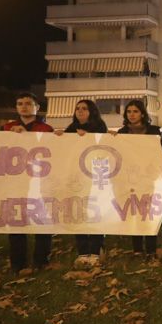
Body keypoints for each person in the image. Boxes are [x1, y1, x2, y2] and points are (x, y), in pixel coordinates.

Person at [3, 92, 55, 272]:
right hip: (15, 184)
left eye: (27, 103)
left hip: (40, 184)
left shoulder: (46, 129)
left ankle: (41, 261)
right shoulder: (6, 128)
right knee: (17, 224)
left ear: (37, 107)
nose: (23, 106)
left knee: (43, 222)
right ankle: (18, 263)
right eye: (20, 103)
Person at [117, 99, 162, 257]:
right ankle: (137, 249)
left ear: (142, 113)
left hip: (150, 179)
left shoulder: (154, 131)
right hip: (131, 179)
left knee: (148, 214)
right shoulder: (122, 133)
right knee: (134, 213)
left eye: (135, 111)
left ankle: (151, 249)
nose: (132, 115)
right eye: (129, 112)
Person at [60, 100, 108, 265]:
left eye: (84, 109)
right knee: (78, 213)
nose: (80, 111)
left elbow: (103, 148)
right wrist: (60, 138)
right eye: (77, 109)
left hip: (95, 179)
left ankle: (95, 250)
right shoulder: (70, 130)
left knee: (95, 213)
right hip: (76, 179)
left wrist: (86, 138)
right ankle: (82, 251)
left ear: (92, 111)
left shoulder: (100, 128)